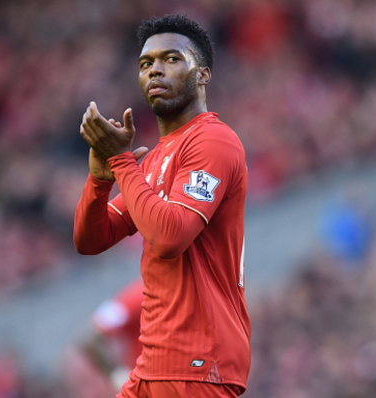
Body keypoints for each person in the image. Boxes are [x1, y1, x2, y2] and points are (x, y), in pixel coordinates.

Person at [74, 14, 251, 398]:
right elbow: (90, 240)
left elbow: (170, 237)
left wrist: (121, 162)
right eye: (146, 63)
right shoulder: (152, 160)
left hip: (198, 366)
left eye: (171, 59)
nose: (155, 69)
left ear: (203, 74)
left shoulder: (213, 142)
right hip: (152, 368)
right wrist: (100, 180)